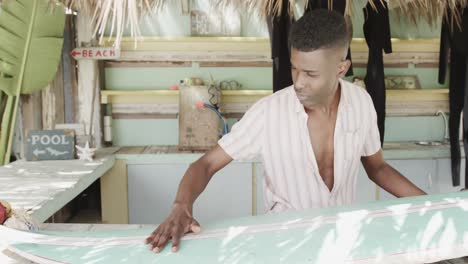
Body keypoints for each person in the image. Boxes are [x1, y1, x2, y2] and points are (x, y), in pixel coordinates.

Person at [145, 9, 426, 253]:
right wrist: (181, 205)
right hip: (283, 245)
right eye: (294, 69)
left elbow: (377, 168)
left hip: (342, 242)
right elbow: (206, 164)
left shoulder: (362, 103)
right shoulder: (269, 112)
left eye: (311, 74)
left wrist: (433, 205)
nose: (299, 82)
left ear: (341, 68)